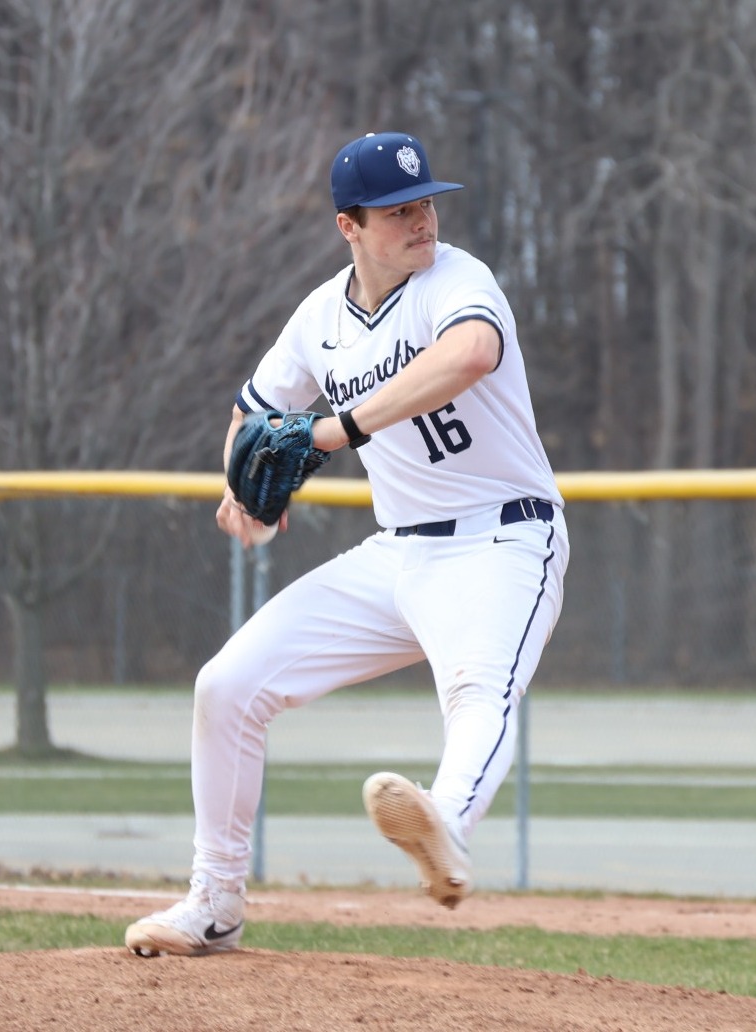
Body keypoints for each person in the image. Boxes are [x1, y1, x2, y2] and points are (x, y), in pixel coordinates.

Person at [126, 132, 570, 957]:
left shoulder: (457, 280)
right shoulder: (319, 319)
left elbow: (470, 354)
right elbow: (248, 419)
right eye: (397, 210)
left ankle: (445, 824)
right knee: (227, 686)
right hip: (397, 553)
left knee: (478, 692)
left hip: (504, 538)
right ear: (349, 227)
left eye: (426, 201)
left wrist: (334, 430)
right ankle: (214, 902)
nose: (421, 219)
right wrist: (245, 487)